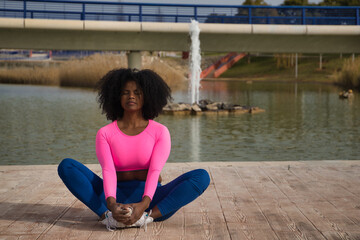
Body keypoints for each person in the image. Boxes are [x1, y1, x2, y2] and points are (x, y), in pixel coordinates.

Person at [57, 68, 210, 231]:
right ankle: (107, 217)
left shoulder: (160, 132)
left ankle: (146, 219)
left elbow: (154, 171)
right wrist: (112, 204)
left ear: (148, 96)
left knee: (201, 176)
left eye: (137, 92)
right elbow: (108, 170)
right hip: (112, 199)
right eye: (125, 92)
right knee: (67, 166)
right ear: (116, 96)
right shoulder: (105, 133)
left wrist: (143, 206)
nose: (131, 96)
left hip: (152, 202)